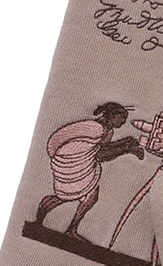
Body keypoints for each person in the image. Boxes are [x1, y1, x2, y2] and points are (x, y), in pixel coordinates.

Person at [34, 101, 145, 236]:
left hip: (78, 163)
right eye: (122, 118)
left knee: (86, 196)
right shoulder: (96, 129)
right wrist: (127, 149)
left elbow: (100, 150)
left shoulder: (106, 130)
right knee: (69, 195)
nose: (124, 122)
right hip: (71, 163)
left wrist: (125, 143)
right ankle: (57, 226)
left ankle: (62, 227)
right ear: (112, 116)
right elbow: (100, 154)